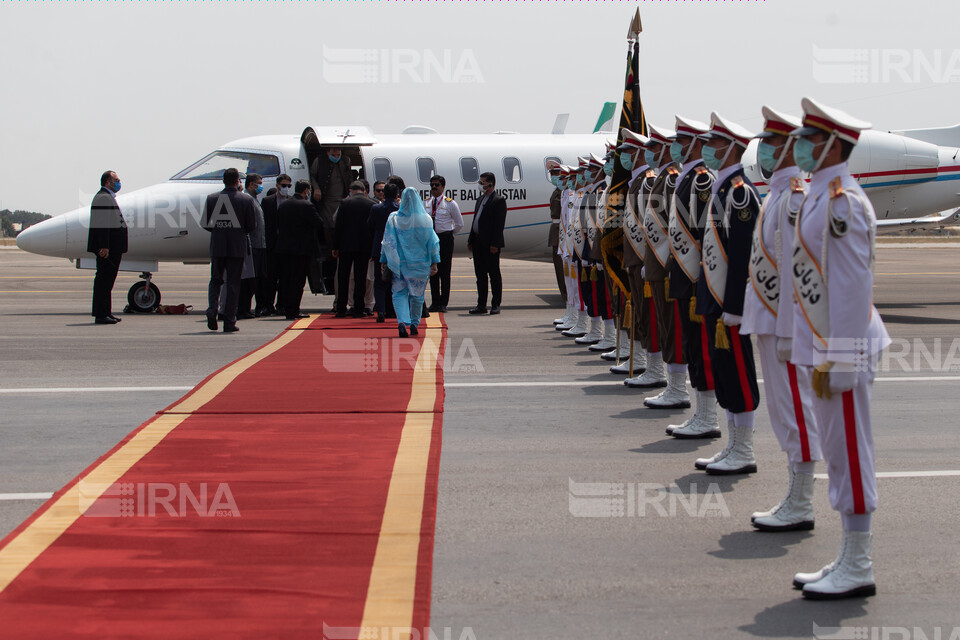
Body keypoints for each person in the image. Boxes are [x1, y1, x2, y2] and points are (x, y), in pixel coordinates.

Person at [789, 97, 889, 600]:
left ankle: (859, 562)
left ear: (832, 144)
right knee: (837, 448)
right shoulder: (820, 195)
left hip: (841, 349)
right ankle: (849, 554)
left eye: (809, 139)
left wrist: (843, 359)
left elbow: (851, 287)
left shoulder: (843, 203)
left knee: (849, 450)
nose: (800, 146)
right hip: (825, 345)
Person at [746, 106, 823, 533]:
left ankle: (802, 500)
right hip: (770, 321)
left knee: (795, 410)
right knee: (782, 410)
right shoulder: (778, 193)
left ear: (790, 147)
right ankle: (795, 493)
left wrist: (793, 331)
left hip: (785, 325)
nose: (765, 151)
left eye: (772, 144)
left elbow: (797, 270)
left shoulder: (793, 197)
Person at [693, 112, 761, 473]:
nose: (707, 149)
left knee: (738, 374)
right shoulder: (721, 188)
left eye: (713, 143)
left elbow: (741, 257)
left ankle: (744, 450)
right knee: (723, 374)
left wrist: (734, 306)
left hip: (728, 304)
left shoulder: (740, 193)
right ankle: (733, 445)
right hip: (713, 298)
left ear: (731, 147)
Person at [663, 116, 720, 431]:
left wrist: (699, 277)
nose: (676, 146)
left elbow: (701, 234)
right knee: (692, 345)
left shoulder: (700, 180)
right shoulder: (687, 177)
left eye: (681, 141)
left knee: (701, 348)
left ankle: (708, 417)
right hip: (684, 275)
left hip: (696, 277)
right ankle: (702, 413)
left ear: (696, 143)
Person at [380, 187, 440, 337]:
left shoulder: (393, 218)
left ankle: (401, 322)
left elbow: (387, 242)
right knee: (417, 296)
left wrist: (384, 260)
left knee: (399, 293)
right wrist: (434, 262)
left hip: (399, 264)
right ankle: (414, 324)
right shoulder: (426, 219)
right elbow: (433, 243)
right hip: (419, 265)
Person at [202, 167, 256, 333]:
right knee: (233, 284)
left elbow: (205, 223)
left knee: (215, 280)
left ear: (223, 181)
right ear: (237, 181)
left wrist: (219, 231)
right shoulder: (246, 200)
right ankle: (229, 321)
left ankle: (212, 310)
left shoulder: (212, 198)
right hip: (236, 247)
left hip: (217, 247)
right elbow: (251, 226)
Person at [275, 180, 324, 320]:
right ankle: (293, 310)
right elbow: (318, 223)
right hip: (301, 249)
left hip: (284, 248)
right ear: (306, 191)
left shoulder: (284, 205)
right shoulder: (307, 205)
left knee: (286, 279)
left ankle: (285, 307)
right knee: (298, 281)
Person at [87, 170, 128, 324]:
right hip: (108, 250)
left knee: (107, 282)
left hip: (112, 248)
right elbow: (102, 224)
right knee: (104, 281)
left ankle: (106, 312)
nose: (119, 182)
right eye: (116, 180)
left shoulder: (106, 197)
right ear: (107, 182)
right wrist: (104, 246)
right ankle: (101, 314)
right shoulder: (103, 198)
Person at [333, 181, 375, 317]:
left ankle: (341, 308)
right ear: (364, 191)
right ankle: (359, 308)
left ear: (351, 191)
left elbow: (338, 226)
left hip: (346, 246)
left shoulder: (345, 203)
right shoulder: (371, 204)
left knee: (343, 278)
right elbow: (373, 228)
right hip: (364, 246)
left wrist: (335, 246)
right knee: (361, 278)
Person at [468, 172, 507, 315]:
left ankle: (495, 304)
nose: (480, 185)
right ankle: (481, 305)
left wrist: (495, 244)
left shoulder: (498, 200)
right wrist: (471, 240)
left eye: (482, 182)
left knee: (494, 275)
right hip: (478, 243)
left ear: (491, 184)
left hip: (490, 244)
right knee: (480, 276)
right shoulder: (480, 200)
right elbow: (475, 221)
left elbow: (499, 225)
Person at [425, 175, 463, 313]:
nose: (434, 187)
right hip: (431, 239)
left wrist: (449, 234)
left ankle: (443, 303)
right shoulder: (427, 203)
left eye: (437, 185)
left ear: (443, 187)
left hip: (445, 239)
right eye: (432, 185)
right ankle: (435, 301)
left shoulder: (450, 203)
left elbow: (459, 223)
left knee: (445, 272)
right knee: (433, 272)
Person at [257, 173, 292, 316]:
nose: (286, 188)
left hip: (287, 245)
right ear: (277, 186)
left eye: (288, 186)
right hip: (272, 244)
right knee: (270, 277)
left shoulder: (291, 201)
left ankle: (282, 305)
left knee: (285, 277)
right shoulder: (267, 201)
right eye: (283, 185)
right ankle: (268, 305)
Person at [368, 181, 400, 322]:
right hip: (397, 249)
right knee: (396, 281)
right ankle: (394, 310)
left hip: (380, 249)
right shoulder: (400, 209)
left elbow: (369, 226)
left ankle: (381, 310)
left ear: (384, 194)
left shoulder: (376, 208)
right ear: (397, 194)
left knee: (380, 282)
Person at [237, 173, 265, 319]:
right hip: (252, 245)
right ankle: (243, 308)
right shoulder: (247, 199)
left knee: (254, 280)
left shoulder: (253, 199)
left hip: (258, 244)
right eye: (258, 183)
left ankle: (245, 308)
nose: (261, 185)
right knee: (248, 280)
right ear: (251, 184)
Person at [546, 162, 567, 307]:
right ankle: (565, 298)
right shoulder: (557, 190)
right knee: (558, 269)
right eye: (552, 174)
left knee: (563, 269)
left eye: (556, 174)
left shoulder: (565, 191)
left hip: (562, 231)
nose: (554, 177)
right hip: (556, 229)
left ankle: (568, 300)